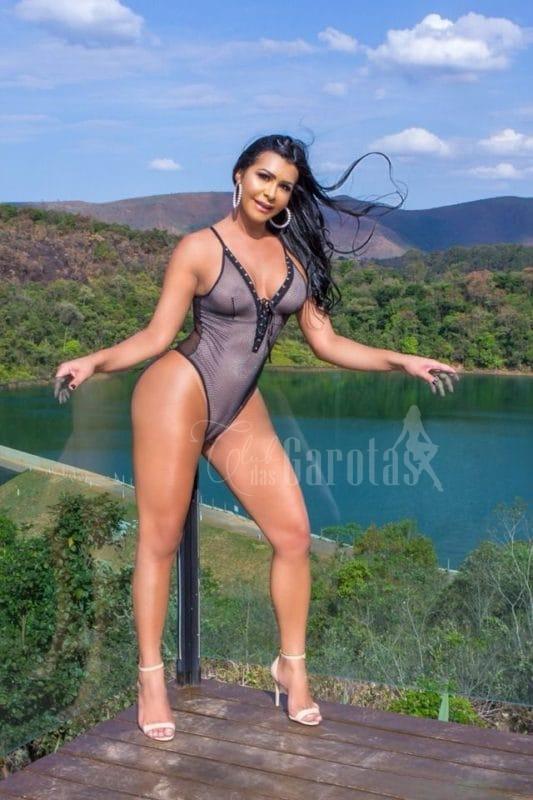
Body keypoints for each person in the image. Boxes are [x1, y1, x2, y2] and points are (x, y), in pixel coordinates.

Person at [54, 133, 459, 740]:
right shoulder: (200, 248)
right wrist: (94, 361)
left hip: (239, 405)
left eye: (284, 185)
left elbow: (327, 343)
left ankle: (291, 666)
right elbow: (156, 336)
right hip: (176, 394)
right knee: (160, 542)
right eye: (264, 177)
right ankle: (150, 677)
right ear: (240, 175)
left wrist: (403, 360)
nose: (271, 192)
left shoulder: (297, 258)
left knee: (293, 535)